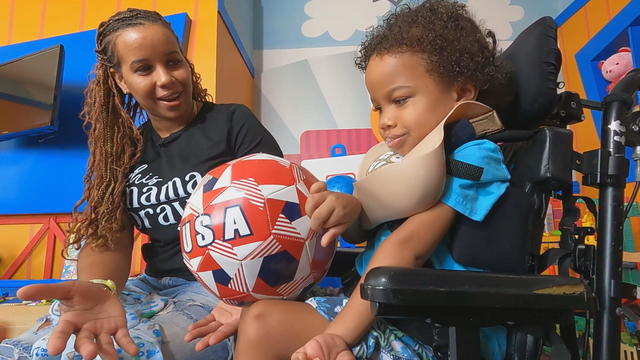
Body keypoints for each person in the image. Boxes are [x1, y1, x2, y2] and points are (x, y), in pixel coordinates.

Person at [208, 1, 511, 359]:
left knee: (262, 326)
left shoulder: (472, 157)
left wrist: (335, 337)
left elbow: (407, 248)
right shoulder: (404, 162)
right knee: (257, 319)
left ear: (461, 93)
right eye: (379, 106)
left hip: (437, 330)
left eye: (400, 100)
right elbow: (375, 226)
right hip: (385, 307)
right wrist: (346, 213)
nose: (385, 120)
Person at [0, 8, 282, 360]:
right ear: (121, 81)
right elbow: (111, 237)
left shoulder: (233, 123)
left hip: (221, 293)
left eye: (173, 61)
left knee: (129, 353)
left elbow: (281, 219)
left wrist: (254, 301)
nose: (166, 79)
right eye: (144, 69)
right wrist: (100, 288)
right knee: (37, 350)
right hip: (149, 286)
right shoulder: (125, 151)